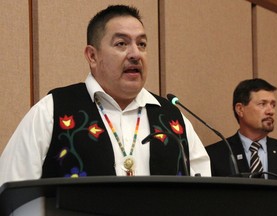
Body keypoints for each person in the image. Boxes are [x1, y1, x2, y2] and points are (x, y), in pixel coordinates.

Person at [0, 5, 210, 186]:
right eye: (121, 44)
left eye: (142, 44)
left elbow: (205, 196)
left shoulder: (172, 118)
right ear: (92, 55)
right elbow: (12, 192)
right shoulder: (53, 110)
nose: (135, 54)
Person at [206, 78, 277, 179]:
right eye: (262, 104)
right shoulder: (215, 155)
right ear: (240, 109)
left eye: (273, 105)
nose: (271, 111)